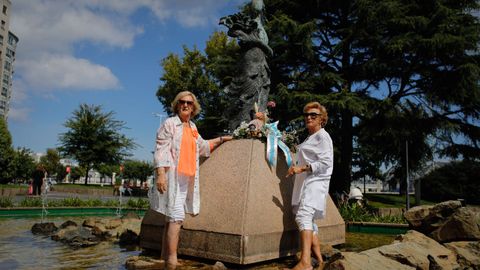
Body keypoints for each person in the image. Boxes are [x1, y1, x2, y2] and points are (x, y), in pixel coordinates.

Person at [150, 91, 233, 269]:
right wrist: (161, 174)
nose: (185, 105)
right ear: (177, 105)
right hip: (173, 176)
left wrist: (222, 139)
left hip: (186, 178)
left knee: (170, 217)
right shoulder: (170, 124)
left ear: (194, 107)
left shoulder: (193, 127)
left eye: (189, 102)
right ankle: (172, 260)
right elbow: (161, 150)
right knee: (176, 217)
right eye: (182, 102)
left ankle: (165, 256)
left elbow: (203, 147)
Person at [286, 102, 333, 270]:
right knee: (310, 222)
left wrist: (302, 168)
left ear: (322, 119)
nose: (309, 117)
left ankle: (305, 262)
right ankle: (320, 261)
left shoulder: (322, 136)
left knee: (304, 217)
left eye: (313, 115)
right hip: (307, 182)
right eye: (306, 115)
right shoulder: (310, 137)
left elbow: (326, 162)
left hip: (315, 182)